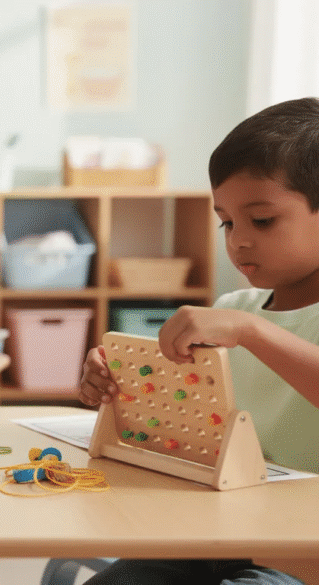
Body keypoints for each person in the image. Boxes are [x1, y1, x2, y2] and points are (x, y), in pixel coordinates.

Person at [78, 97, 319, 585]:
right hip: (216, 534)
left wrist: (250, 331)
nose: (237, 240)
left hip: (302, 554)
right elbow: (180, 416)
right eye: (226, 221)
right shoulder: (236, 307)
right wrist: (118, 380)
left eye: (262, 220)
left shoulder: (241, 322)